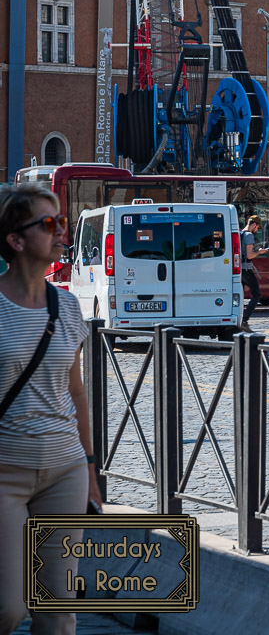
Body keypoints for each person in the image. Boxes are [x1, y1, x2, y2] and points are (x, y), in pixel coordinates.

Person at [0, 183, 101, 635]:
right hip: (5, 472)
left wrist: (91, 466)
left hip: (65, 470)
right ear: (16, 241)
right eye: (48, 223)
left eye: (61, 221)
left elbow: (75, 391)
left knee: (58, 614)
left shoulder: (68, 305)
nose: (61, 230)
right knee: (8, 608)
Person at [239, 215, 269, 331]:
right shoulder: (248, 236)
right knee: (257, 294)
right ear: (253, 224)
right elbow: (249, 255)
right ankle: (244, 320)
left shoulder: (239, 233)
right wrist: (259, 252)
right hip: (246, 270)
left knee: (240, 296)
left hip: (238, 269)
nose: (257, 230)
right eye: (257, 227)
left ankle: (238, 319)